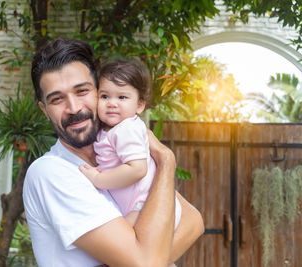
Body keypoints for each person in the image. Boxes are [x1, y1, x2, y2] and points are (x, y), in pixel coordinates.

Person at [24, 37, 204, 267]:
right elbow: (147, 263)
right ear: (45, 110)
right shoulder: (51, 172)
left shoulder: (116, 152)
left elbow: (194, 221)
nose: (74, 108)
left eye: (82, 91)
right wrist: (166, 161)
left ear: (99, 90)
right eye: (57, 99)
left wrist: (151, 258)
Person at [79, 59, 181, 229]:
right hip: (138, 204)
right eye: (104, 96)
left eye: (122, 97)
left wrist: (98, 179)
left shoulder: (127, 128)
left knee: (124, 244)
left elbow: (138, 169)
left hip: (145, 204)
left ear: (139, 105)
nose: (112, 103)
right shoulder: (110, 129)